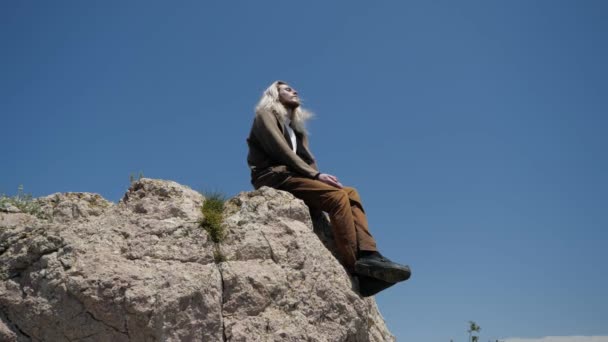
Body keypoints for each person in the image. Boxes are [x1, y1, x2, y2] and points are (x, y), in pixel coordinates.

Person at [246, 81, 411, 296]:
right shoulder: (265, 114)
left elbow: (308, 160)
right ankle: (357, 266)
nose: (294, 91)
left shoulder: (296, 129)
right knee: (337, 198)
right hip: (274, 177)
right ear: (274, 95)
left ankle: (370, 254)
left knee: (350, 192)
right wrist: (316, 175)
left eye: (294, 89)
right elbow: (280, 151)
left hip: (294, 176)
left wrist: (319, 179)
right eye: (287, 89)